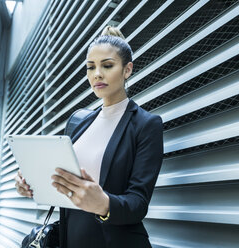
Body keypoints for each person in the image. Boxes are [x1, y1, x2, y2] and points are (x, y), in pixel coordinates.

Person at [15, 26, 163, 248]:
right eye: (90, 67)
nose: (97, 74)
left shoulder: (145, 124)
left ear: (127, 69)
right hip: (72, 238)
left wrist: (104, 204)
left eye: (107, 65)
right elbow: (62, 181)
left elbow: (138, 204)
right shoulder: (78, 121)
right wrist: (31, 182)